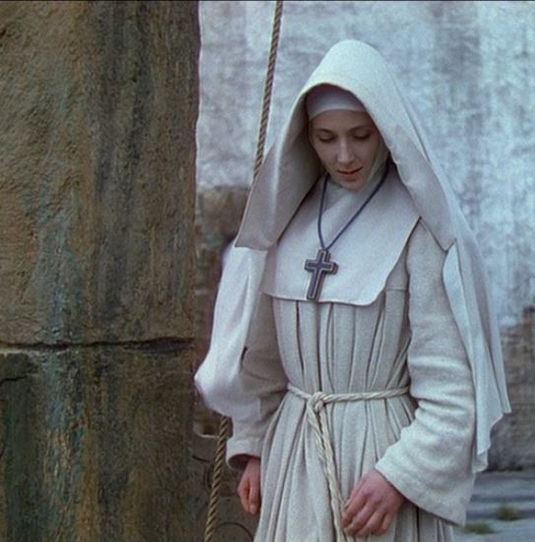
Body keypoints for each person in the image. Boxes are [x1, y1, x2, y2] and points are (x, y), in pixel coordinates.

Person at [195, 39, 510, 541]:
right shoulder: (286, 223)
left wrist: (399, 477)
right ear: (307, 138)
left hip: (378, 476)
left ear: (385, 129)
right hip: (295, 465)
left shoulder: (420, 231)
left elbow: (452, 391)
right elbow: (264, 363)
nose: (344, 155)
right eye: (326, 137)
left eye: (361, 136)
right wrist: (254, 445)